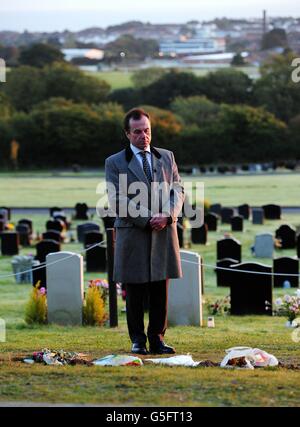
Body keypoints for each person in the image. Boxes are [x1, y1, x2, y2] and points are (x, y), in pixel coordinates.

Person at [105, 108, 184, 355]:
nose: (144, 136)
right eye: (137, 131)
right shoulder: (115, 162)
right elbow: (116, 199)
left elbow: (178, 189)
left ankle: (158, 339)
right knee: (136, 290)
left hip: (164, 230)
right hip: (133, 231)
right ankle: (138, 340)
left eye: (147, 130)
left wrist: (168, 215)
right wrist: (147, 218)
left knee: (161, 288)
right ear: (127, 133)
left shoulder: (167, 157)